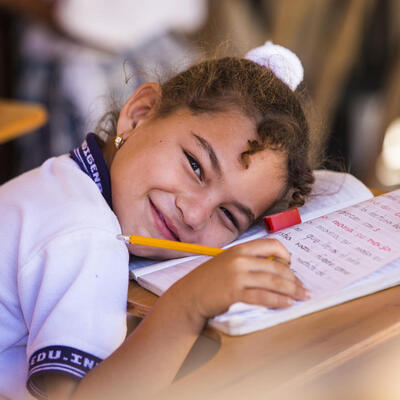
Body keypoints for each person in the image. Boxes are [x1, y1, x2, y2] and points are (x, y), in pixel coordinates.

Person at [0, 41, 318, 400]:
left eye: (228, 215)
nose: (195, 214)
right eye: (196, 165)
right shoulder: (85, 236)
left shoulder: (64, 180)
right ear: (140, 114)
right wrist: (188, 304)